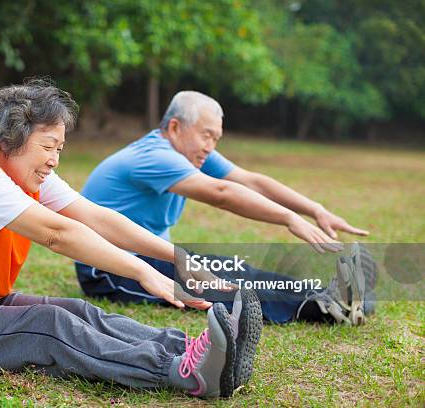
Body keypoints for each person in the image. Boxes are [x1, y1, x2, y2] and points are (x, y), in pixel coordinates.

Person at [0, 79, 264, 399]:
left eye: (59, 149)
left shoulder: (24, 174)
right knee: (49, 325)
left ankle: (193, 349)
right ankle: (185, 371)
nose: (54, 160)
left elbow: (97, 217)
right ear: (9, 138)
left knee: (78, 311)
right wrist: (142, 271)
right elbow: (57, 233)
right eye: (47, 147)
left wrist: (179, 260)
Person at [76, 90, 376, 325]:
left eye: (216, 139)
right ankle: (325, 308)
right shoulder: (154, 157)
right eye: (206, 135)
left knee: (235, 269)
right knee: (224, 285)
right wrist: (287, 218)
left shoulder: (191, 152)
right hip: (109, 270)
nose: (210, 146)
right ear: (176, 127)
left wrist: (314, 209)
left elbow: (250, 181)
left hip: (152, 255)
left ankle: (330, 294)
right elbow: (221, 193)